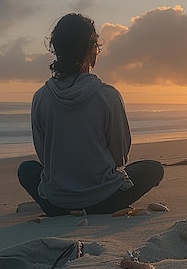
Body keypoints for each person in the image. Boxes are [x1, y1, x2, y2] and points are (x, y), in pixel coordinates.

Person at [18, 13, 164, 216]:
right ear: (91, 48)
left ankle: (65, 205)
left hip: (58, 202)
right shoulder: (107, 95)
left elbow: (44, 156)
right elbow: (119, 156)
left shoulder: (41, 97)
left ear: (56, 49)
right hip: (105, 199)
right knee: (153, 168)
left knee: (26, 170)